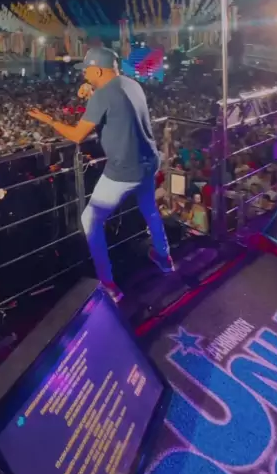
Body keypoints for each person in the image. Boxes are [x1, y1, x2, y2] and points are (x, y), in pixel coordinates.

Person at [29, 47, 174, 301]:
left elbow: (77, 135)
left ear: (97, 70)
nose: (84, 74)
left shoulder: (102, 95)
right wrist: (93, 93)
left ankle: (108, 283)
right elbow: (117, 110)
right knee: (149, 208)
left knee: (90, 219)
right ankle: (165, 258)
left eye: (86, 70)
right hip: (149, 161)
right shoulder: (132, 84)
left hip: (123, 170)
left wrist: (49, 120)